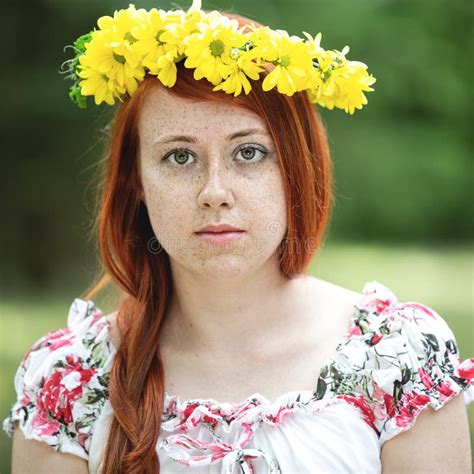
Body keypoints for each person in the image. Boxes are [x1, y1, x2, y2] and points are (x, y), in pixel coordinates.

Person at [3, 2, 473, 473]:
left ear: (295, 169)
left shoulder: (397, 358)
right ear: (137, 183)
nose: (215, 193)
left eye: (249, 152)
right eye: (180, 157)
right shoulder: (69, 381)